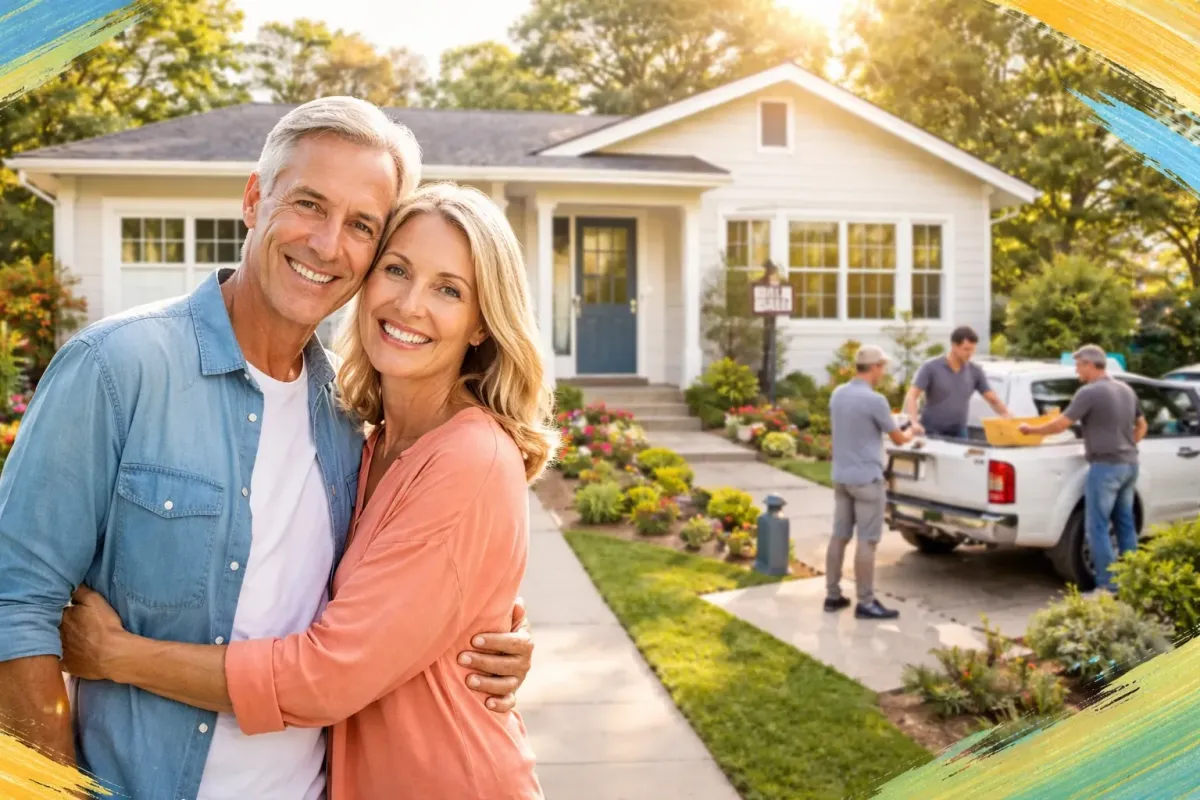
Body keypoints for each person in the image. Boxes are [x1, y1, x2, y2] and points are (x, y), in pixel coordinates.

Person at [0, 98, 534, 799]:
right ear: (255, 199)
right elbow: (16, 605)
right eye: (309, 204)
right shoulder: (116, 368)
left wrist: (485, 631)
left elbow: (354, 647)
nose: (326, 243)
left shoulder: (344, 422)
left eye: (361, 226)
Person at [1019, 344, 1147, 593]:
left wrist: (1030, 429)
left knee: (1096, 526)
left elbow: (1061, 424)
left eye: (1078, 365)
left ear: (1089, 364)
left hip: (1106, 467)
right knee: (1124, 523)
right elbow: (1142, 425)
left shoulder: (1089, 392)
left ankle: (1108, 585)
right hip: (1130, 465)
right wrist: (1127, 444)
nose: (1077, 370)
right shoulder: (1126, 389)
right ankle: (1134, 580)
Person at [825, 345, 914, 620]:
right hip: (867, 480)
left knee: (839, 535)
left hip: (841, 477)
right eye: (882, 367)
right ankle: (866, 602)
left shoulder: (838, 394)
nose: (883, 372)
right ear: (874, 367)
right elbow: (898, 438)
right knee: (867, 540)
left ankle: (832, 595)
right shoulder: (875, 401)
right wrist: (912, 431)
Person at [904, 325, 1010, 438]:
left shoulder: (975, 371)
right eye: (966, 349)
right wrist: (914, 422)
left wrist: (1007, 415)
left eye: (973, 349)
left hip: (959, 431)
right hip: (932, 431)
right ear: (954, 346)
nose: (970, 353)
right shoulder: (931, 367)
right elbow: (912, 395)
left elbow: (992, 399)